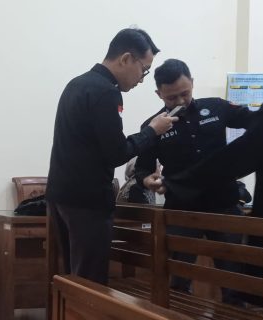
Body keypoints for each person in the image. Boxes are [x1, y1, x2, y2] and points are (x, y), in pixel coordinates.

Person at [134, 58, 263, 304]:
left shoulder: (217, 107)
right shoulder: (153, 126)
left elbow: (259, 121)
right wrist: (148, 180)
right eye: (172, 98)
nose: (180, 101)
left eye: (185, 93)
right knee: (176, 281)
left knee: (234, 280)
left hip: (224, 206)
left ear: (192, 83)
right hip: (181, 210)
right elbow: (142, 167)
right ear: (159, 94)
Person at [45, 28, 176, 284]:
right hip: (87, 201)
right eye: (144, 70)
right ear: (126, 59)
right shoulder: (106, 91)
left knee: (70, 278)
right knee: (89, 282)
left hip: (60, 195)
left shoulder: (77, 83)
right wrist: (152, 131)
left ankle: (67, 313)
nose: (141, 79)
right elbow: (117, 153)